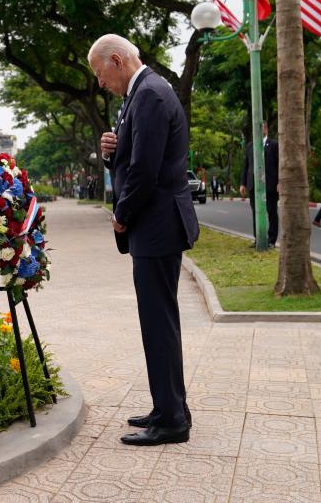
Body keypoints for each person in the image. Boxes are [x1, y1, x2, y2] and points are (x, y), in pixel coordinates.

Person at [92, 33, 199, 447]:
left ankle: (172, 420)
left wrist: (121, 214)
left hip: (156, 225)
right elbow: (131, 156)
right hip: (156, 225)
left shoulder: (150, 95)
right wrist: (108, 153)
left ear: (116, 60)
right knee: (159, 324)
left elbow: (145, 170)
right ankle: (168, 407)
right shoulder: (139, 95)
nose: (100, 83)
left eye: (100, 74)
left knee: (159, 325)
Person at [239, 121, 279, 247]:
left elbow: (279, 164)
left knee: (271, 212)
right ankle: (259, 239)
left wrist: (280, 182)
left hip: (270, 185)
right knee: (255, 212)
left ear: (265, 129)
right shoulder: (250, 146)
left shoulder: (273, 145)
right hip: (253, 185)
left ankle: (272, 240)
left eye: (260, 128)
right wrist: (243, 183)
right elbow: (246, 166)